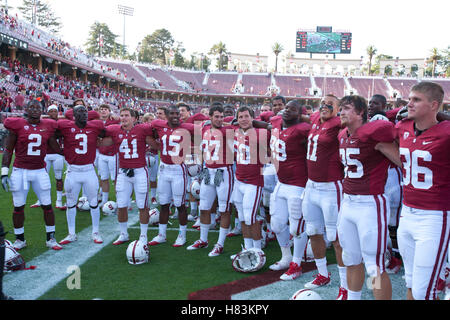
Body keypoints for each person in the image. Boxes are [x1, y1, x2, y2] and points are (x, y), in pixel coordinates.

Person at [376, 82, 450, 300]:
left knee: (422, 291)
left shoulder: (446, 133)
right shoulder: (403, 127)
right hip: (407, 214)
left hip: (434, 217)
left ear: (434, 104)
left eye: (416, 99)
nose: (409, 103)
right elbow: (376, 123)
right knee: (411, 283)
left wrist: (443, 116)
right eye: (410, 99)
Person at [337, 95, 395, 300]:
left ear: (361, 112)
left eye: (346, 108)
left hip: (370, 204)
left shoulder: (374, 132)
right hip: (348, 202)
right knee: (350, 258)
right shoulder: (342, 134)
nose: (341, 112)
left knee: (374, 266)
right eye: (340, 108)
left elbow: (403, 161)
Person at [1, 100, 62, 251]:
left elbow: (56, 146)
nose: (35, 110)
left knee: (47, 205)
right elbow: (8, 150)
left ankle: (51, 238)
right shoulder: (17, 125)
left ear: (42, 111)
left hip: (40, 171)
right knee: (18, 207)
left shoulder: (48, 125)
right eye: (32, 107)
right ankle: (20, 239)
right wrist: (4, 172)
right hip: (19, 171)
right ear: (26, 109)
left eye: (38, 107)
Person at [102, 108, 159, 246]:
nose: (123, 118)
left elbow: (156, 145)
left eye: (127, 115)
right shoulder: (115, 130)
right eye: (121, 115)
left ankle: (143, 235)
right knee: (121, 205)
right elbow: (101, 142)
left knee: (142, 205)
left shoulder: (141, 130)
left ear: (134, 118)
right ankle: (123, 234)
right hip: (123, 172)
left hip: (140, 171)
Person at [268, 100, 310, 281]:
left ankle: (297, 263)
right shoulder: (277, 122)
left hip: (298, 185)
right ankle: (286, 256)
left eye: (293, 110)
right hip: (281, 183)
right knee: (276, 224)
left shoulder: (303, 128)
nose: (287, 111)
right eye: (287, 108)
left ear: (300, 114)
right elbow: (263, 122)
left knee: (296, 227)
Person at [187, 103, 235, 257]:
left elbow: (240, 125)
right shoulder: (205, 128)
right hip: (208, 170)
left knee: (224, 209)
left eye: (222, 117)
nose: (220, 119)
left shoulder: (228, 130)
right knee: (204, 207)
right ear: (210, 117)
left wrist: (225, 123)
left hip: (222, 171)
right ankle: (203, 240)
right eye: (217, 117)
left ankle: (220, 244)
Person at [56, 105, 105, 245]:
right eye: (79, 112)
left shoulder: (95, 126)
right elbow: (51, 136)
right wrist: (60, 151)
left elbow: (106, 135)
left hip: (89, 170)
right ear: (74, 115)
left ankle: (96, 232)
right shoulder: (65, 126)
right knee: (71, 203)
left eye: (85, 111)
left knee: (94, 203)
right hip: (73, 171)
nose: (83, 114)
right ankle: (71, 233)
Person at [149, 105, 195, 247]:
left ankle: (182, 235)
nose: (175, 116)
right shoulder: (159, 125)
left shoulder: (187, 127)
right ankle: (162, 234)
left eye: (177, 113)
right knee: (163, 204)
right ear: (167, 115)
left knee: (180, 205)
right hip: (163, 169)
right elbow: (149, 130)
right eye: (172, 114)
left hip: (178, 169)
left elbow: (203, 131)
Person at [230, 106, 270, 256]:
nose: (243, 119)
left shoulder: (261, 133)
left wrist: (258, 123)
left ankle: (258, 250)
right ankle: (247, 249)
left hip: (253, 182)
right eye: (240, 117)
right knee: (242, 217)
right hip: (239, 181)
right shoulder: (235, 133)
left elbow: (271, 128)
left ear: (253, 118)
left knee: (251, 217)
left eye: (247, 116)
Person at [97, 104, 120, 209]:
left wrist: (113, 114)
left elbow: (120, 119)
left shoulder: (114, 120)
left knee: (115, 179)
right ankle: (105, 200)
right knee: (104, 178)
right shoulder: (97, 121)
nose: (103, 111)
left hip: (112, 154)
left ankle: (119, 200)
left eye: (105, 109)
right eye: (101, 109)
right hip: (101, 154)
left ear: (109, 111)